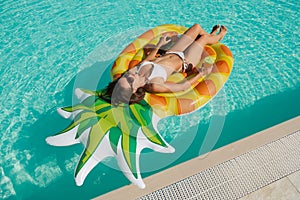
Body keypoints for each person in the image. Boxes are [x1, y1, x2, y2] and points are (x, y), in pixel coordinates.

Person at [100, 24, 227, 105]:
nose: (129, 75)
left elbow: (148, 59)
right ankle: (218, 36)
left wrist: (160, 44)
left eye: (125, 76)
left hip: (172, 52)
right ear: (134, 90)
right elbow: (181, 87)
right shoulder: (153, 85)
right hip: (186, 61)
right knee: (203, 39)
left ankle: (211, 36)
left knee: (197, 28)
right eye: (129, 80)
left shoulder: (134, 72)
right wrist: (201, 74)